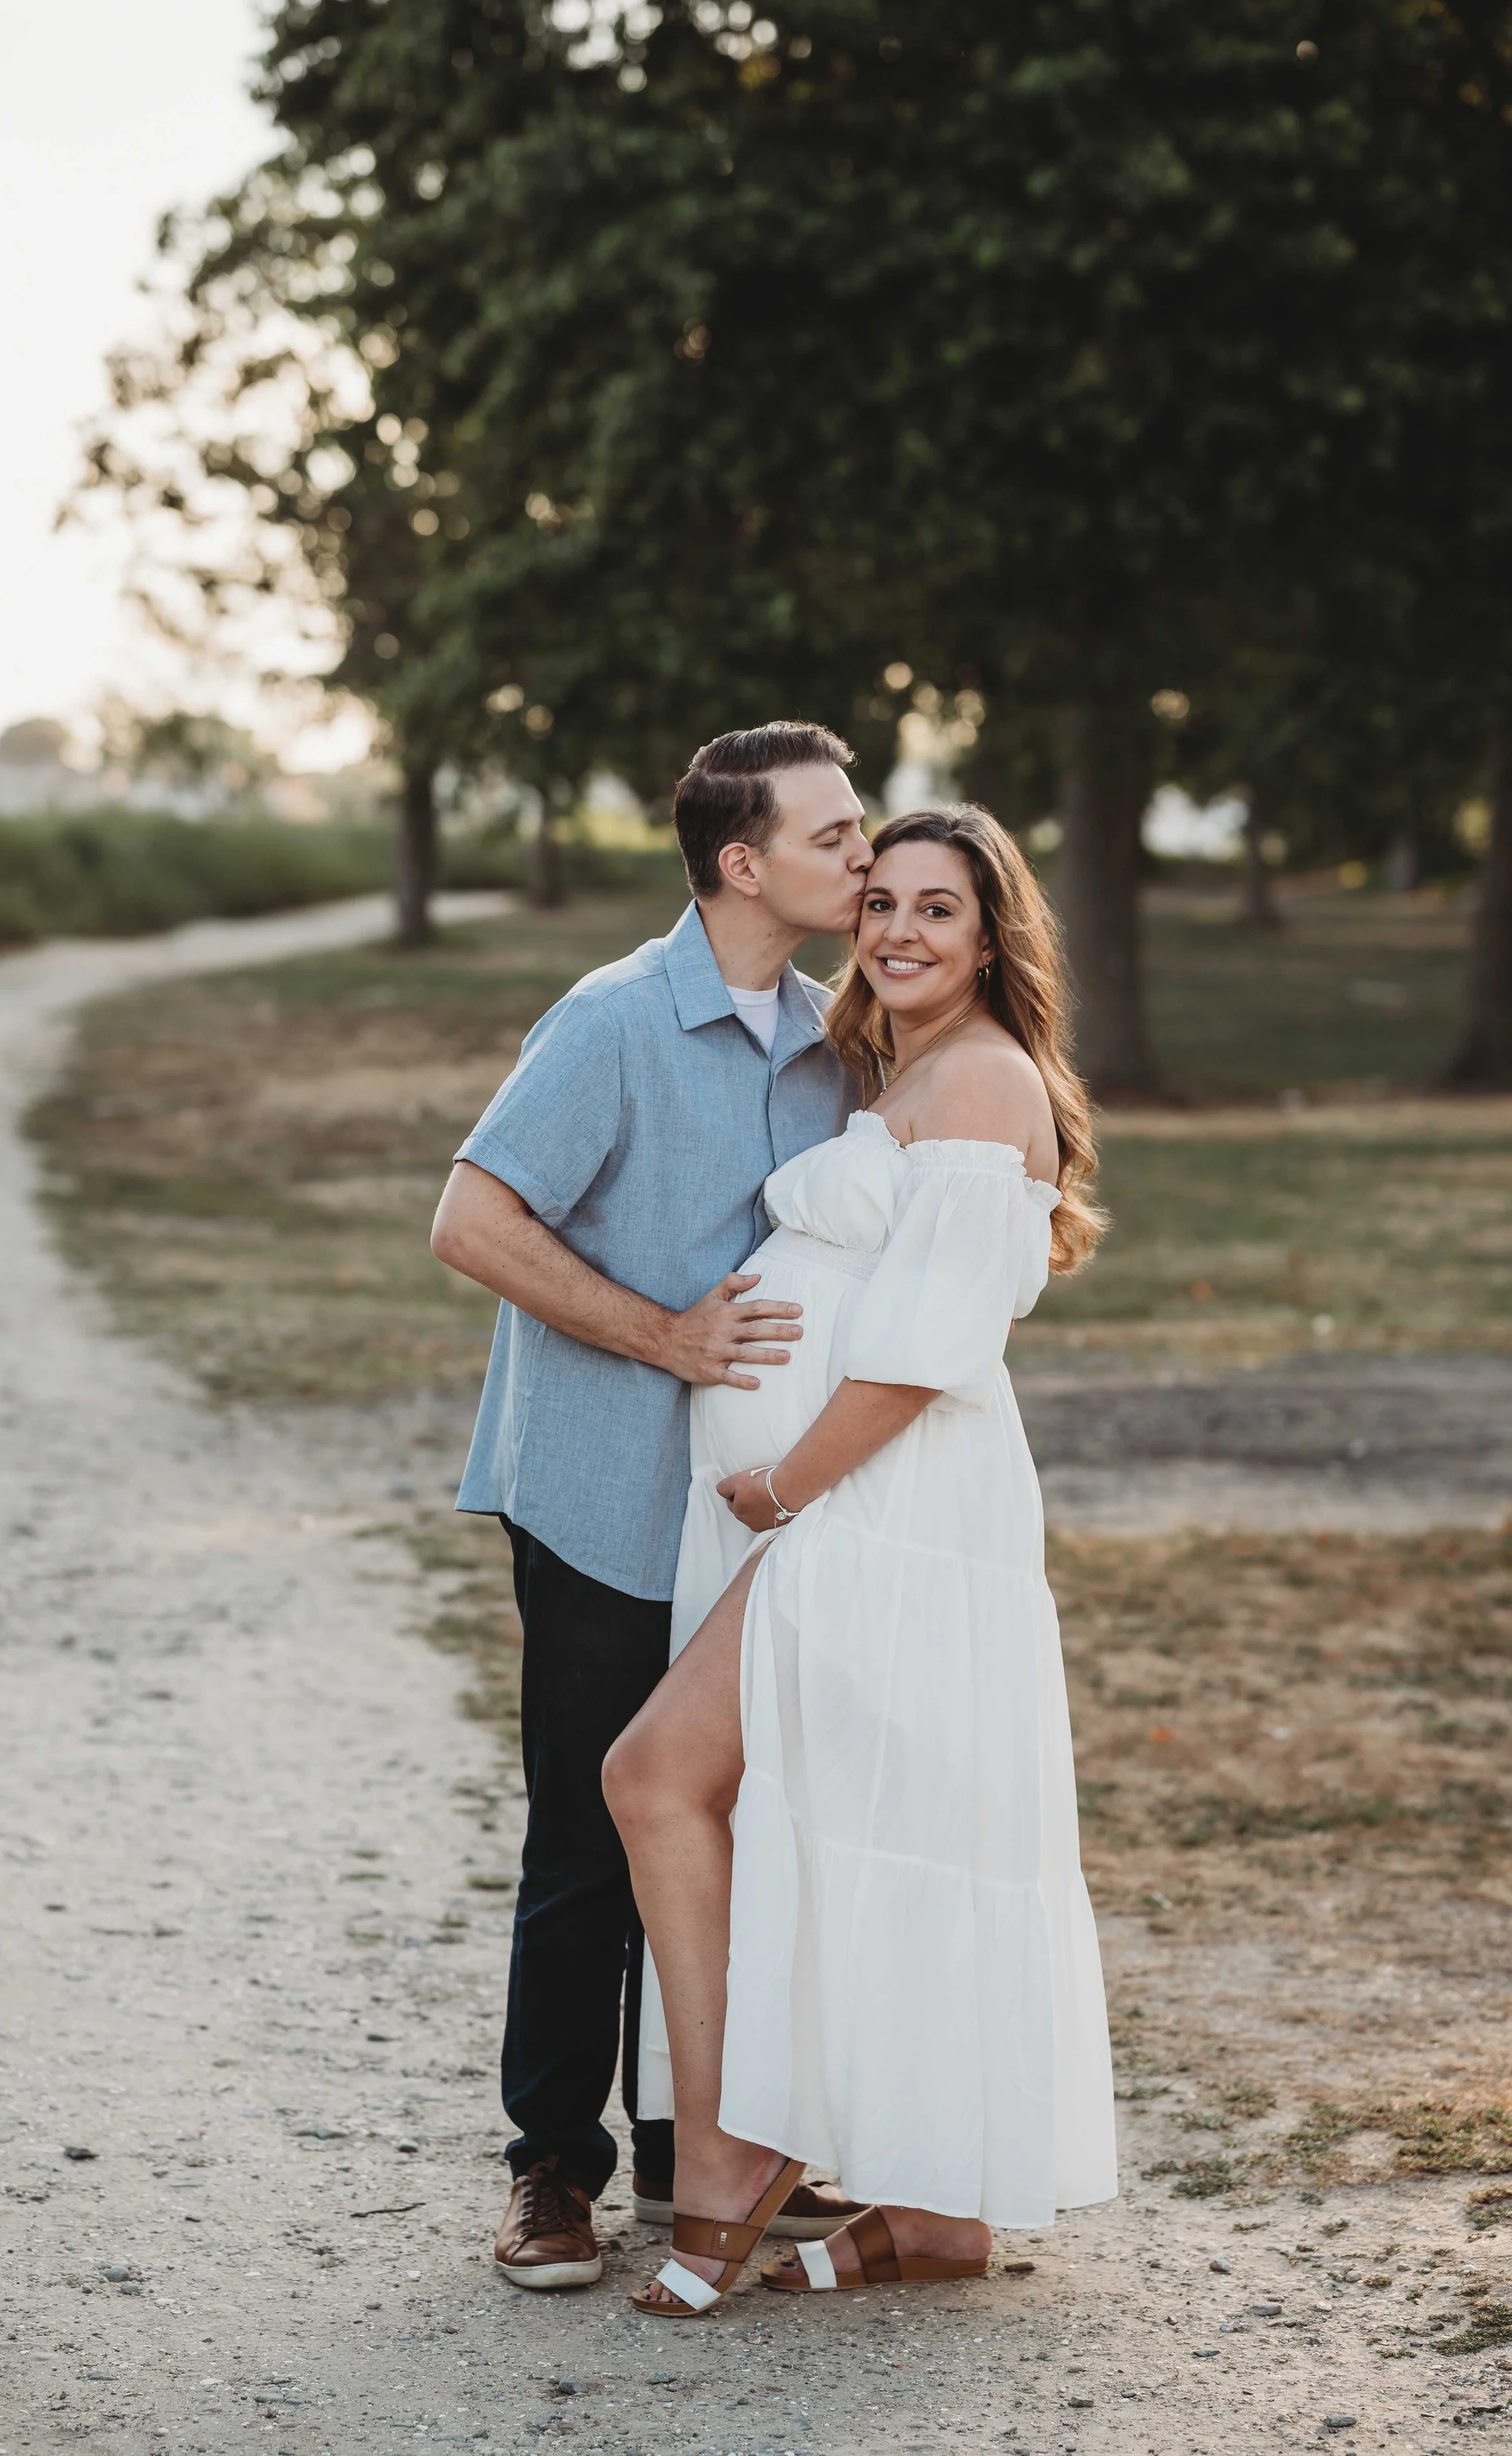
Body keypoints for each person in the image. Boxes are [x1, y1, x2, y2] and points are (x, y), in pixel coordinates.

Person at [602, 805, 1118, 2318]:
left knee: (659, 1778)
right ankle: (931, 2216)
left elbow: (919, 1356)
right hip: (847, 1505)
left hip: (877, 1507)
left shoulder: (981, 1081)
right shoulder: (913, 1065)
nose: (895, 930)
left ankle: (729, 2156)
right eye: (878, 900)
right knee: (846, 1817)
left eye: (936, 911)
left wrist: (774, 1485)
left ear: (990, 935)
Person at [429, 721, 877, 2289]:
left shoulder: (834, 1036)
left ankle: (711, 2150)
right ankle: (552, 2169)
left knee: (731, 1818)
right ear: (740, 863)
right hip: (605, 1494)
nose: (864, 857)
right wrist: (664, 1335)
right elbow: (469, 1219)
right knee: (585, 1833)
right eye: (833, 836)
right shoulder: (613, 1021)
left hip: (757, 1517)